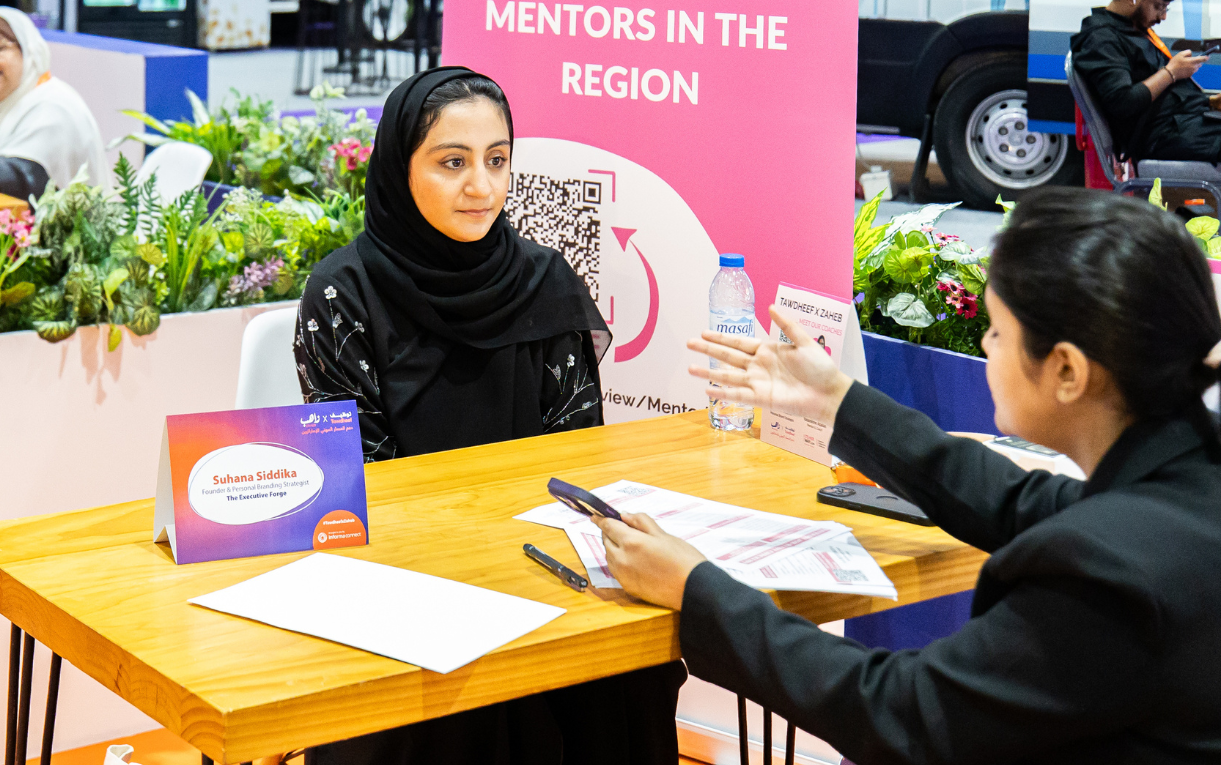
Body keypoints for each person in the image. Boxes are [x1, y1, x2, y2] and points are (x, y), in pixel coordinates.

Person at [592, 187, 1221, 763]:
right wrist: (836, 401)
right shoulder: (1187, 480)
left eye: (998, 332)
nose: (985, 347)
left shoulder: (1102, 572)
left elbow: (905, 713)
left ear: (1067, 371)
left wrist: (697, 590)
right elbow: (1014, 499)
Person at [294, 66, 685, 765]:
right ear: (399, 168)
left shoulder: (544, 281)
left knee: (627, 675)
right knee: (443, 707)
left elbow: (574, 462)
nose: (482, 186)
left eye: (497, 160)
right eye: (453, 162)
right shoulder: (341, 293)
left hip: (538, 565)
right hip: (403, 580)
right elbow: (363, 483)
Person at [1070, 0, 1221, 163]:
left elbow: (1165, 94)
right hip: (1163, 134)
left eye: (1166, 8)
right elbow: (1123, 102)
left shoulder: (1132, 29)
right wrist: (1170, 72)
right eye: (1159, 6)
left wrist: (1210, 103)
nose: (1163, 17)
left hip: (1185, 121)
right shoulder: (1101, 39)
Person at [0, 8, 108, 198]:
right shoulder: (9, 103)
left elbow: (24, 179)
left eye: (1, 48)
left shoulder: (54, 106)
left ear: (29, 52)